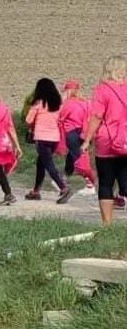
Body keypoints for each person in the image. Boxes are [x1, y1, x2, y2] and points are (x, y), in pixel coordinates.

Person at [81, 55, 127, 226]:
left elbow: (96, 117)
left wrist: (87, 140)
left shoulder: (102, 89)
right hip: (126, 141)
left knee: (106, 182)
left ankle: (107, 225)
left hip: (107, 143)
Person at [24, 78, 73, 203]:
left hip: (42, 138)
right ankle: (36, 191)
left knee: (48, 165)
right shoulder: (58, 104)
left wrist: (32, 127)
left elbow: (28, 120)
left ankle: (63, 188)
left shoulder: (38, 104)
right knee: (41, 162)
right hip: (54, 139)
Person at [59, 80, 94, 189]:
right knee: (72, 155)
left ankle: (89, 183)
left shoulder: (68, 103)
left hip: (72, 133)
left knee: (78, 158)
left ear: (68, 91)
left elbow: (60, 118)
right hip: (85, 133)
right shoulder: (86, 103)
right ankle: (64, 177)